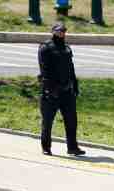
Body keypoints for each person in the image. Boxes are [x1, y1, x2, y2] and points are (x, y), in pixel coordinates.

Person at [38, 22, 85, 156]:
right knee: (47, 122)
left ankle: (72, 147)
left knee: (71, 121)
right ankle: (46, 147)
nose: (62, 34)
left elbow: (71, 69)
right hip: (51, 92)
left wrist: (75, 86)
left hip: (67, 91)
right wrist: (50, 89)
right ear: (53, 32)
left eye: (63, 31)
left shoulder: (67, 48)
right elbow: (44, 70)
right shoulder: (45, 48)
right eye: (59, 32)